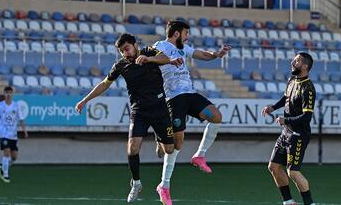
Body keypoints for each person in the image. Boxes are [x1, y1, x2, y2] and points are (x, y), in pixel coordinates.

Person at [75, 33, 182, 203]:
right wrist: (85, 100)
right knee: (132, 148)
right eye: (121, 51)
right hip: (139, 111)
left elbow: (165, 58)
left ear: (135, 45)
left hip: (159, 109)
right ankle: (136, 183)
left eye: (127, 49)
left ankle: (158, 140)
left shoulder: (149, 51)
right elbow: (104, 84)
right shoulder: (120, 65)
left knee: (169, 150)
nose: (125, 53)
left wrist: (148, 60)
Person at [153, 20, 230, 205]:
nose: (188, 36)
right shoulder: (160, 45)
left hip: (190, 93)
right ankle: (164, 185)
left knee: (216, 116)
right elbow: (151, 58)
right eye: (186, 33)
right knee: (177, 145)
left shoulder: (184, 48)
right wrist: (167, 60)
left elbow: (201, 54)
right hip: (173, 98)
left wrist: (216, 55)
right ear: (177, 33)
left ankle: (199, 155)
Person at [261, 52, 316, 205]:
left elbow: (307, 117)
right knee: (273, 167)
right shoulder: (292, 79)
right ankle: (288, 202)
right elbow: (286, 97)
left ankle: (310, 203)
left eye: (297, 60)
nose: (293, 62)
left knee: (293, 172)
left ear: (305, 66)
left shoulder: (308, 88)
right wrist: (273, 107)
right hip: (286, 133)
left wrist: (286, 120)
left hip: (298, 135)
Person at [0, 86, 28, 183]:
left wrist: (24, 130)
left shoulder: (16, 106)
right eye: (6, 92)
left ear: (12, 94)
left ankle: (3, 167)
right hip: (4, 134)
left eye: (10, 93)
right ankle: (5, 175)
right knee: (6, 152)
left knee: (14, 157)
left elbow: (21, 119)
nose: (8, 94)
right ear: (4, 94)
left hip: (13, 135)